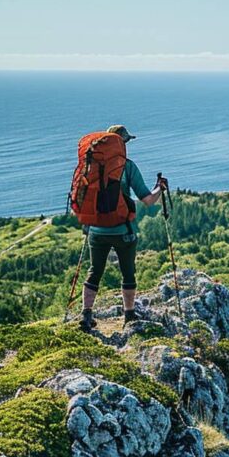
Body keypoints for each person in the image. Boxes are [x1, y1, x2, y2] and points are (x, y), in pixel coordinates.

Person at [79, 125, 166, 331]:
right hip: (123, 230)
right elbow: (147, 200)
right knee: (128, 273)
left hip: (96, 230)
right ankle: (129, 314)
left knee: (94, 272)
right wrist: (159, 188)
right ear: (122, 143)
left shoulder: (90, 167)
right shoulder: (127, 167)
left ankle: (86, 315)